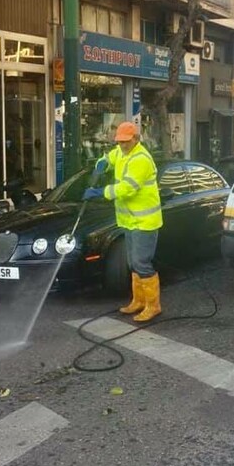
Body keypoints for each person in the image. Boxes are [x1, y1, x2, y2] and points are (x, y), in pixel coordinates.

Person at [83, 121, 163, 322]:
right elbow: (109, 158)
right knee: (132, 263)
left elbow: (127, 189)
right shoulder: (120, 152)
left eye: (127, 141)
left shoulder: (141, 159)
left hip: (145, 222)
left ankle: (153, 305)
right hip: (129, 220)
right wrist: (102, 163)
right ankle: (138, 301)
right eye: (120, 142)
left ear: (136, 139)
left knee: (141, 263)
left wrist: (101, 192)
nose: (123, 145)